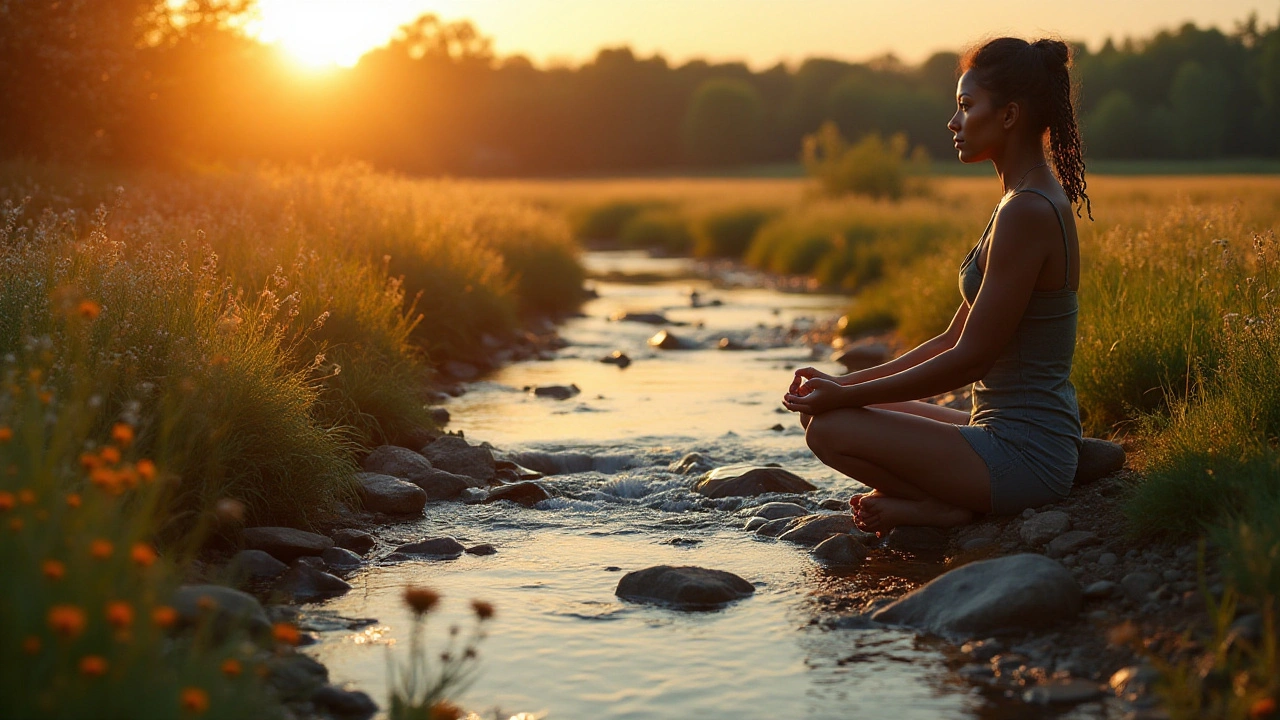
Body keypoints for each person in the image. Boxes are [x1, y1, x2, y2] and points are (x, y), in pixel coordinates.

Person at [781, 37, 1091, 535]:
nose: (954, 122)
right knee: (842, 407)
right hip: (1000, 429)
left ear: (1009, 116)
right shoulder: (1019, 200)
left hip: (1024, 455)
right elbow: (952, 339)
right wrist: (842, 385)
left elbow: (971, 360)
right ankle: (962, 491)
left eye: (967, 107)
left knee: (831, 428)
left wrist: (839, 401)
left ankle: (942, 508)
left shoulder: (1028, 210)